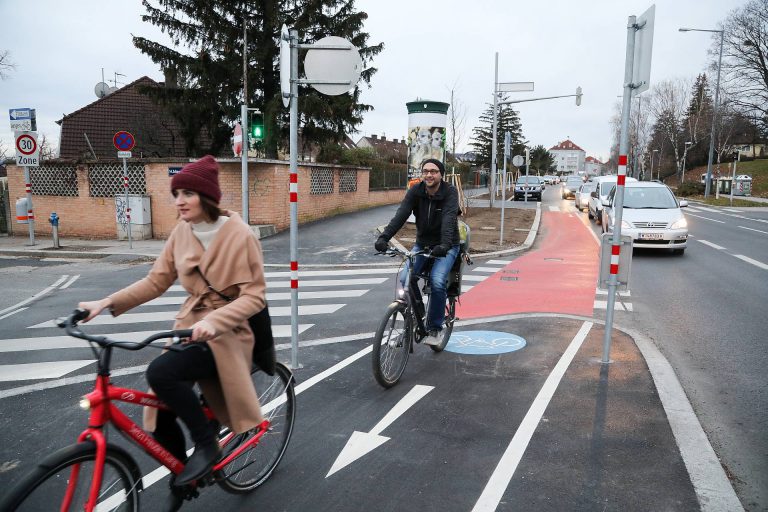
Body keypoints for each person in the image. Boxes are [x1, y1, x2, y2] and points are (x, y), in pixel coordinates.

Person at [78, 155, 267, 499]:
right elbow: (155, 282)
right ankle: (184, 479)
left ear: (207, 196)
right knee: (160, 415)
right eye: (176, 193)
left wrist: (214, 321)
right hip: (189, 327)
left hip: (227, 333)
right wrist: (105, 302)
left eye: (187, 193)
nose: (179, 201)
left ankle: (207, 444)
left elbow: (254, 297)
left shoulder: (241, 235)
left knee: (161, 372)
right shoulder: (182, 233)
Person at [375, 158, 460, 346]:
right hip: (423, 243)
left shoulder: (450, 192)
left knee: (437, 281)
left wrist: (445, 245)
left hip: (447, 245)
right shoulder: (416, 190)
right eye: (426, 171)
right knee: (406, 278)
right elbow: (401, 214)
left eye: (434, 171)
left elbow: (448, 219)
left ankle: (435, 328)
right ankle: (418, 315)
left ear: (441, 174)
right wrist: (384, 237)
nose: (429, 174)